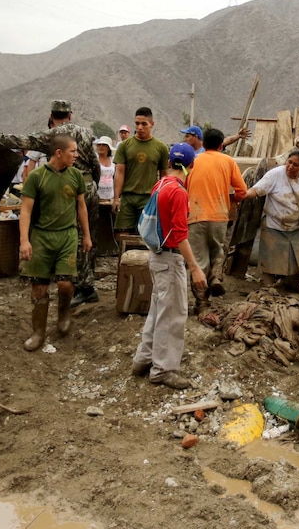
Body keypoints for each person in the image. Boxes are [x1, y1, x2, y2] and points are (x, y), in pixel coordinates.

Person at [131, 143, 207, 389]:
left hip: (156, 256)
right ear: (191, 165)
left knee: (158, 309)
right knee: (173, 315)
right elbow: (180, 235)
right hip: (169, 257)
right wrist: (194, 267)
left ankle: (143, 359)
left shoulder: (160, 184)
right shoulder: (178, 192)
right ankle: (163, 369)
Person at [19, 133, 92, 352]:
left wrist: (86, 235)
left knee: (65, 284)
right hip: (41, 236)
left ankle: (63, 314)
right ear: (59, 153)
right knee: (39, 288)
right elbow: (25, 210)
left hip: (67, 235)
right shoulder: (36, 177)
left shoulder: (77, 176)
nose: (76, 155)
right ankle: (38, 332)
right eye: (73, 151)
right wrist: (24, 241)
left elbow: (81, 206)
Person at [186, 128, 247, 312]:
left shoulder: (193, 161)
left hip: (195, 216)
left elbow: (182, 186)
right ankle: (215, 277)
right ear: (221, 145)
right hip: (219, 217)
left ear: (203, 144)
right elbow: (242, 191)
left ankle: (202, 303)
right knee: (217, 250)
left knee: (198, 261)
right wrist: (233, 199)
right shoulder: (228, 161)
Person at [244, 149, 299, 288]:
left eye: (295, 165)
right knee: (270, 262)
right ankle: (268, 289)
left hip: (296, 226)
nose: (290, 167)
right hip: (274, 225)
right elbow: (256, 190)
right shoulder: (275, 175)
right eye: (289, 162)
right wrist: (242, 195)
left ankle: (290, 285)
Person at [112, 107, 169, 233]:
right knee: (123, 235)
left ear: (152, 124)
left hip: (148, 198)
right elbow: (119, 173)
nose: (140, 127)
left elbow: (164, 176)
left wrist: (162, 200)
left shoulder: (161, 147)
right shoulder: (125, 146)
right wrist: (116, 198)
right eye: (137, 123)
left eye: (144, 124)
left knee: (146, 236)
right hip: (127, 197)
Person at [94, 136, 115, 201]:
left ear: (108, 148)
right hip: (97, 196)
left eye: (104, 145)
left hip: (110, 196)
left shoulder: (113, 161)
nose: (101, 147)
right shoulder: (94, 161)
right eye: (99, 145)